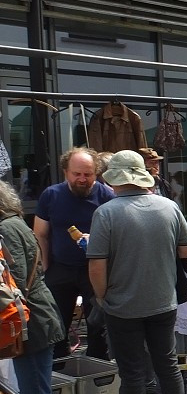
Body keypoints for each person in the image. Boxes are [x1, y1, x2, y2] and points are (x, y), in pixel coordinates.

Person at [87, 151, 187, 394]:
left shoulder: (106, 214)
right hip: (164, 301)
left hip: (123, 305)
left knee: (132, 373)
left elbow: (97, 266)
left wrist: (102, 297)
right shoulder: (169, 206)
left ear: (114, 179)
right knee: (167, 364)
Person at [0, 181, 68, 394]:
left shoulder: (6, 228)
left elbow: (12, 281)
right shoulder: (13, 224)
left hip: (29, 323)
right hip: (29, 320)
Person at [33, 146, 114, 360]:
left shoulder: (107, 196)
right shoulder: (51, 195)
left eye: (87, 174)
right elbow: (40, 233)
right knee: (56, 327)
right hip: (60, 268)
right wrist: (46, 267)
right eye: (76, 173)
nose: (82, 179)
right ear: (66, 172)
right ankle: (60, 376)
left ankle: (98, 377)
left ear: (96, 173)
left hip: (95, 270)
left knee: (98, 328)